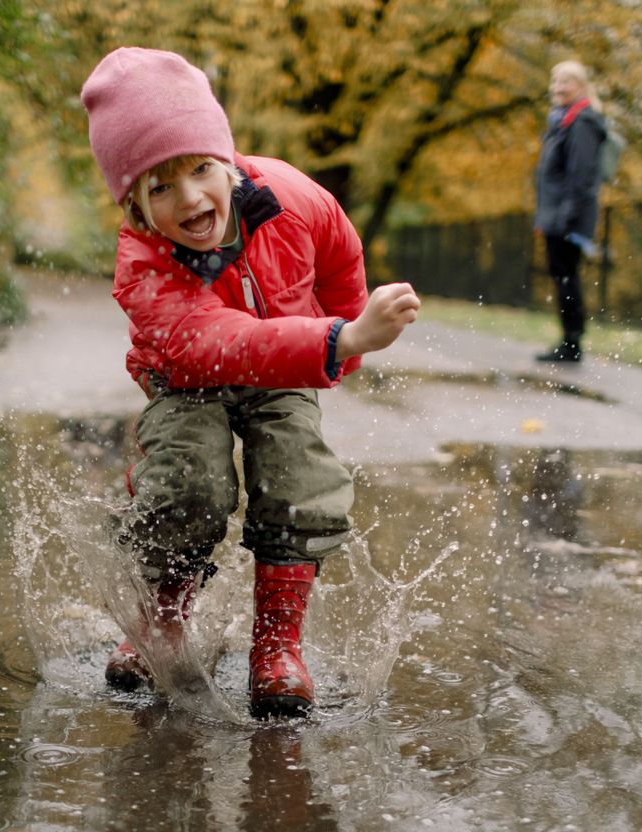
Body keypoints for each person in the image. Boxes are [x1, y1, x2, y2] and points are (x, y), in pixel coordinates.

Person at [80, 47, 420, 719]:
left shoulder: (293, 199)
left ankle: (277, 646)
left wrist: (342, 333)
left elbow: (339, 255)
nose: (190, 199)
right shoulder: (142, 261)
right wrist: (338, 341)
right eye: (160, 187)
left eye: (201, 170)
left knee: (299, 477)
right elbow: (213, 340)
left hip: (289, 360)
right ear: (136, 207)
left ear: (227, 160)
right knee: (187, 482)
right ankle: (160, 621)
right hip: (188, 378)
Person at [533, 60, 607, 363]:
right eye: (555, 81)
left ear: (581, 86)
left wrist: (565, 218)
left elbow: (582, 175)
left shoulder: (582, 122)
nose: (558, 88)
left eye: (566, 82)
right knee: (562, 276)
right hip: (556, 215)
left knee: (567, 277)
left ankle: (572, 343)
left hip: (567, 218)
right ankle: (570, 340)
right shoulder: (564, 120)